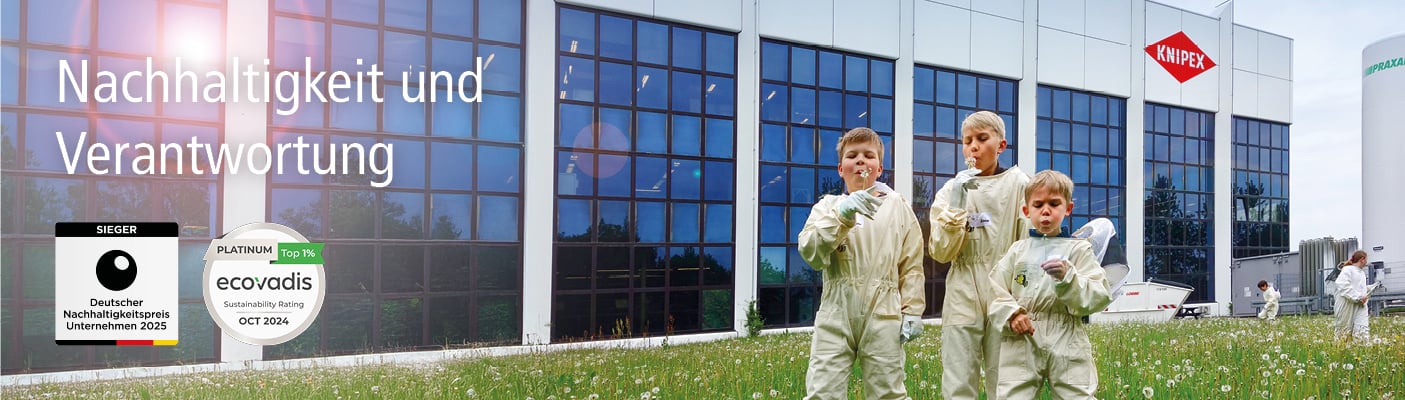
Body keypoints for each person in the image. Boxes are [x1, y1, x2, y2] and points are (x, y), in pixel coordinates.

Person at [798, 127, 926, 399]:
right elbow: (810, 251)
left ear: (879, 169)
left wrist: (913, 309)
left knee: (887, 391)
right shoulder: (827, 207)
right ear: (840, 169)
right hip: (836, 309)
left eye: (868, 155)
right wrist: (842, 215)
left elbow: (911, 263)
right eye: (852, 155)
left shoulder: (897, 207)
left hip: (884, 311)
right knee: (823, 391)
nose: (860, 161)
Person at [928, 110, 1030, 399]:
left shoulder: (1019, 184)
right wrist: (957, 205)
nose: (973, 146)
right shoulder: (951, 190)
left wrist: (1020, 298)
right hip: (963, 289)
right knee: (958, 379)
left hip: (1005, 289)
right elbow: (941, 252)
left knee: (1007, 379)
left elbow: (1028, 245)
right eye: (967, 140)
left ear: (1001, 145)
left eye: (982, 139)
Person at [987, 170, 1112, 399]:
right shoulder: (1017, 251)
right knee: (1013, 395)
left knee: (1077, 395)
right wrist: (1012, 314)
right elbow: (995, 290)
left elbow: (1100, 293)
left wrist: (1068, 279)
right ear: (1026, 210)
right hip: (1022, 336)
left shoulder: (1078, 249)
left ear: (1068, 208)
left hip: (1067, 334)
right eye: (1038, 205)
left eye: (1054, 204)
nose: (1046, 211)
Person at [1334, 250, 1371, 342]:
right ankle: (1340, 349)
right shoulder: (1348, 270)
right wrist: (1358, 297)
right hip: (1347, 305)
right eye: (1366, 259)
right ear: (1362, 259)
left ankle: (1362, 348)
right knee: (1343, 332)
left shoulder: (1362, 273)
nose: (1367, 262)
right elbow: (1342, 284)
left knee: (1362, 329)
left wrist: (1369, 289)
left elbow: (1358, 287)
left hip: (1360, 304)